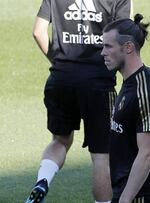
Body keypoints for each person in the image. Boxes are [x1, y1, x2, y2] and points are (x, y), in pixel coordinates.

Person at [25, 0, 131, 203]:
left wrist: (59, 62)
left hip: (60, 79)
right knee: (102, 155)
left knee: (60, 140)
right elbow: (124, 38)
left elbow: (38, 32)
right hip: (98, 84)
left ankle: (42, 181)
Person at [101, 14, 150, 203]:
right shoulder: (134, 80)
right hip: (128, 191)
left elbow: (148, 153)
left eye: (108, 46)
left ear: (128, 47)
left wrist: (124, 200)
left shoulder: (143, 90)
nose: (102, 52)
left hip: (141, 195)